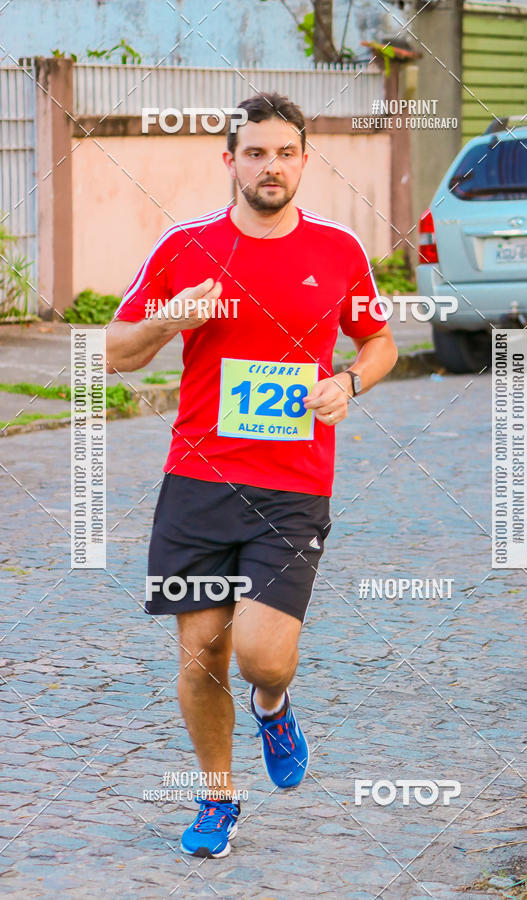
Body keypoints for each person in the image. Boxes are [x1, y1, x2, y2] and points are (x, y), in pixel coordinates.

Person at [106, 92, 398, 858]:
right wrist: (174, 318)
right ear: (229, 159)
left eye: (286, 153)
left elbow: (380, 343)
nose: (272, 166)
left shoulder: (338, 250)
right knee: (201, 651)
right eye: (256, 152)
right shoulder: (183, 248)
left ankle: (274, 703)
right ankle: (217, 799)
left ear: (305, 159)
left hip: (294, 483)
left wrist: (351, 383)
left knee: (263, 654)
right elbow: (115, 351)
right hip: (196, 483)